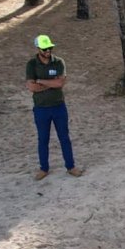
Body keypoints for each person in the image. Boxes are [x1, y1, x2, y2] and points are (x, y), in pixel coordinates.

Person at [26, 35, 84, 180]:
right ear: (38, 49)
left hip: (58, 106)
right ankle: (43, 168)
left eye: (50, 48)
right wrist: (50, 82)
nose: (48, 50)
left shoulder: (59, 62)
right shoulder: (32, 64)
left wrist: (40, 81)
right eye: (45, 48)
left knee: (64, 137)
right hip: (41, 108)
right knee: (43, 139)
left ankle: (71, 166)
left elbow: (60, 84)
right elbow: (31, 87)